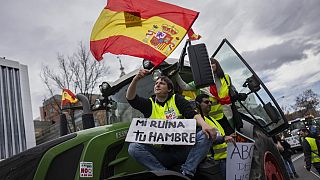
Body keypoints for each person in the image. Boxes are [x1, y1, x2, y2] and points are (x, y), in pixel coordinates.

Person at [126, 69, 217, 178]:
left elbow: (191, 114)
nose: (157, 85)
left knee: (204, 134)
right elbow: (131, 99)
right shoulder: (149, 104)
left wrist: (204, 125)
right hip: (165, 153)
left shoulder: (176, 99)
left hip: (185, 150)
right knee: (133, 148)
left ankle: (187, 172)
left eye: (162, 83)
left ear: (169, 89)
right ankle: (164, 174)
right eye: (156, 83)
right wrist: (135, 79)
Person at [175, 58, 234, 135]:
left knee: (231, 136)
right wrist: (176, 74)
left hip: (227, 115)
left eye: (212, 63)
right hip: (208, 117)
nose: (210, 65)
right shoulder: (201, 80)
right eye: (207, 65)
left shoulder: (226, 78)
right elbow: (185, 87)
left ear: (217, 64)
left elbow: (231, 91)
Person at [195, 93, 235, 179]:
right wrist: (224, 138)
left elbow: (219, 135)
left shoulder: (212, 119)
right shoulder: (199, 121)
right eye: (206, 102)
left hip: (224, 159)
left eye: (210, 102)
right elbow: (204, 139)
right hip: (215, 161)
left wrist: (228, 137)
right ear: (198, 105)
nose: (210, 104)